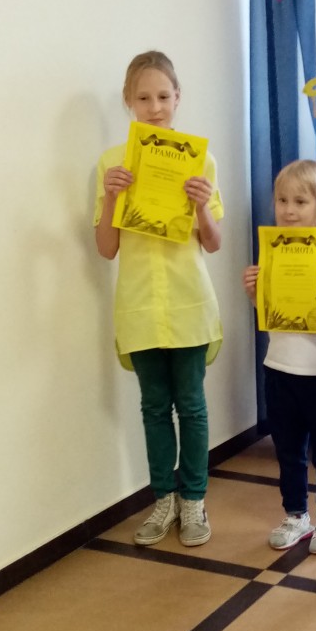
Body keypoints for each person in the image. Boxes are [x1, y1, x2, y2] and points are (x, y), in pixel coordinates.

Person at [94, 51, 223, 548]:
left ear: (178, 98)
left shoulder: (200, 161)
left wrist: (200, 206)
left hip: (188, 302)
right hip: (139, 304)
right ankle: (163, 500)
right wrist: (112, 197)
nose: (155, 107)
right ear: (128, 101)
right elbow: (107, 248)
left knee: (191, 406)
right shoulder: (112, 163)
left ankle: (194, 502)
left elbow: (213, 242)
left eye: (163, 96)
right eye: (144, 98)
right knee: (153, 407)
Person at [243, 160, 316, 555]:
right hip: (280, 367)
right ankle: (295, 515)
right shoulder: (271, 252)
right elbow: (270, 312)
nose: (289, 210)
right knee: (288, 450)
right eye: (282, 201)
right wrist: (254, 293)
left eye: (300, 202)